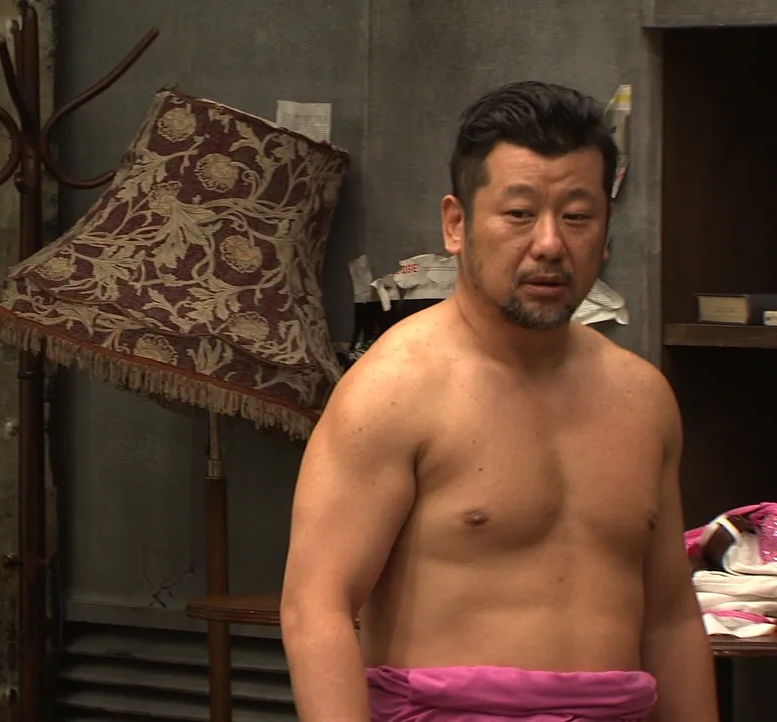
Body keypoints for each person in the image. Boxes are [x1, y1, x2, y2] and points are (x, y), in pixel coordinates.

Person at [280, 81, 717, 721]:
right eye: (518, 214)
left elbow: (671, 618)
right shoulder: (393, 388)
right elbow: (315, 607)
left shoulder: (643, 396)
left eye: (577, 216)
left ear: (605, 230)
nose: (549, 244)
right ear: (456, 224)